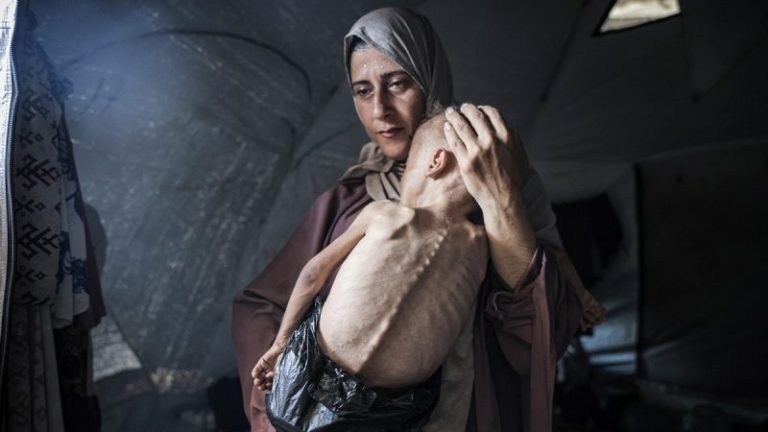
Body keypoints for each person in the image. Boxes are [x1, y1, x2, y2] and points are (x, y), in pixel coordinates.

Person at [232, 7, 605, 432]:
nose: (380, 110)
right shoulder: (349, 200)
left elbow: (536, 335)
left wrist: (501, 200)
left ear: (429, 79)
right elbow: (260, 304)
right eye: (363, 91)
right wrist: (277, 401)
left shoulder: (497, 203)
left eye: (398, 84)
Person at [253, 113, 489, 430]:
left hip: (306, 375)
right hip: (382, 409)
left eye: (408, 167)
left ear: (435, 163)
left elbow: (312, 275)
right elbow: (461, 348)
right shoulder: (479, 248)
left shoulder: (385, 214)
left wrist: (281, 341)